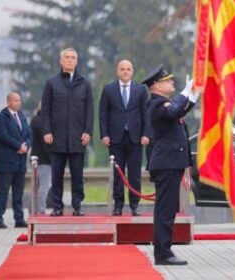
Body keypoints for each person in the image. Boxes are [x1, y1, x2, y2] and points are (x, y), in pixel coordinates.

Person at [142, 65, 199, 265]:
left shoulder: (163, 103)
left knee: (167, 209)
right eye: (168, 81)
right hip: (166, 163)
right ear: (157, 86)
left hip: (169, 163)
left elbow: (176, 109)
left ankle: (164, 251)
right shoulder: (157, 105)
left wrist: (189, 95)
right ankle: (163, 253)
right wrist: (188, 94)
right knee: (165, 210)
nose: (172, 83)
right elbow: (175, 110)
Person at [41, 47, 94, 217]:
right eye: (67, 57)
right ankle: (57, 206)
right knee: (57, 176)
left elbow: (89, 110)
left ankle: (77, 205)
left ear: (77, 61)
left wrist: (88, 131)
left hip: (78, 138)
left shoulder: (85, 83)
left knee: (77, 177)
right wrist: (47, 131)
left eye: (73, 57)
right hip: (56, 138)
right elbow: (46, 109)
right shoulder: (51, 82)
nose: (70, 60)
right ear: (61, 61)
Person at [99, 60, 151, 216]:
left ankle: (135, 205)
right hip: (115, 138)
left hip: (135, 138)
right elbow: (103, 114)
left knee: (135, 173)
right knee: (117, 174)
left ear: (132, 71)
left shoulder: (141, 89)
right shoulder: (108, 89)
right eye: (122, 69)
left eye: (128, 69)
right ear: (117, 71)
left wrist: (146, 134)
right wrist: (104, 134)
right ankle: (118, 205)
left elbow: (146, 114)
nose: (125, 72)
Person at [0, 92, 32, 228]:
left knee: (18, 193)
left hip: (20, 163)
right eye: (16, 101)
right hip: (7, 163)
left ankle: (19, 219)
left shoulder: (21, 117)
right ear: (9, 102)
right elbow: (3, 137)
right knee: (3, 192)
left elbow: (29, 134)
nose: (19, 103)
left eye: (19, 100)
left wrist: (27, 145)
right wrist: (19, 146)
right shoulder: (1, 118)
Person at [30, 102, 52, 215]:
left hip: (36, 158)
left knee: (36, 185)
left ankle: (33, 209)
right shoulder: (43, 122)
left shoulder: (34, 120)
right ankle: (41, 210)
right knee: (44, 185)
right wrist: (52, 158)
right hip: (44, 159)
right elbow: (45, 144)